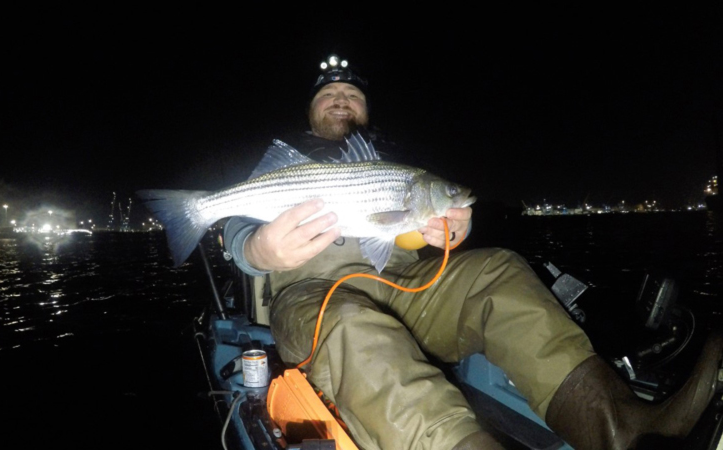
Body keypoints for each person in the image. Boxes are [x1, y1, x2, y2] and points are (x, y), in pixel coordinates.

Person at [223, 54, 723, 450]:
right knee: (356, 329)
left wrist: (447, 233)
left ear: (366, 109)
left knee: (499, 270)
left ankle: (622, 430)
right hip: (313, 297)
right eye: (329, 94)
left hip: (403, 286)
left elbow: (417, 234)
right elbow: (236, 224)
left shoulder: (397, 163)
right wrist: (256, 249)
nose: (340, 101)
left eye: (351, 94)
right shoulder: (278, 159)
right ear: (310, 108)